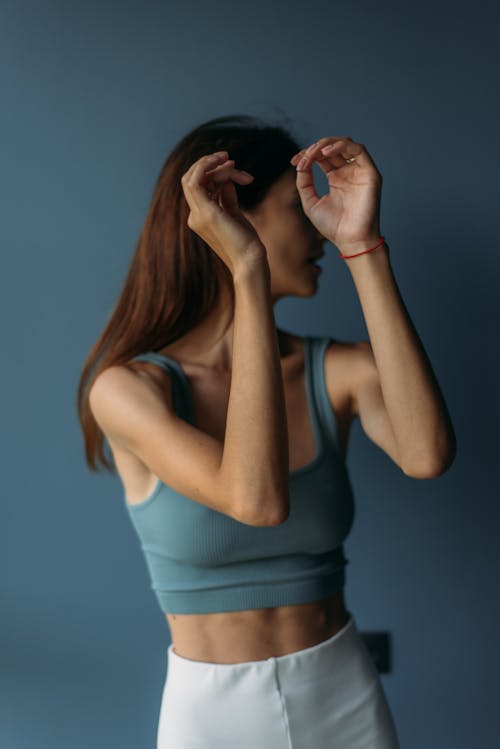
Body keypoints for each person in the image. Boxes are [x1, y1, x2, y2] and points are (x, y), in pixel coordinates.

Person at [77, 114, 456, 748]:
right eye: (294, 205)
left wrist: (362, 246)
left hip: (345, 694)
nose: (317, 226)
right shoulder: (127, 390)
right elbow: (257, 500)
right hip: (213, 714)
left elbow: (427, 455)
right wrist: (246, 270)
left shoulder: (334, 370)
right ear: (236, 214)